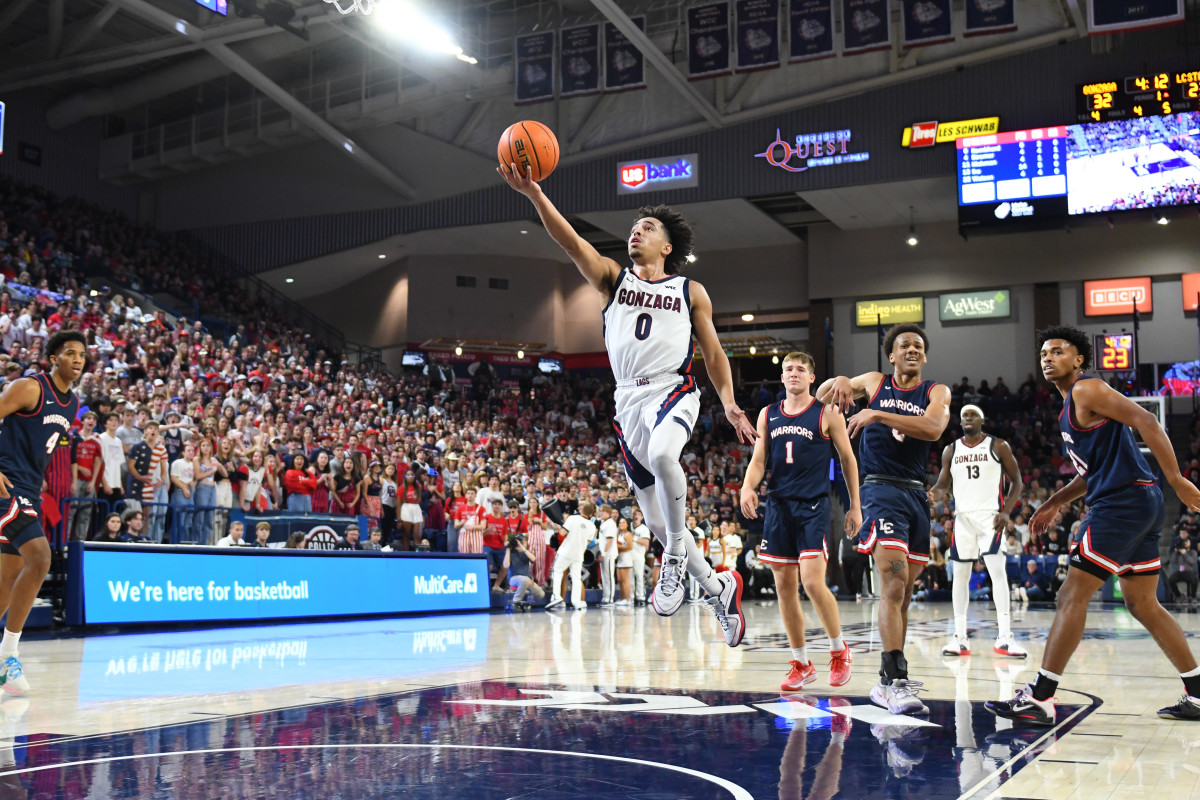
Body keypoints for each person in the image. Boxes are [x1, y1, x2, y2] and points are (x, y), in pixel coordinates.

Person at [498, 164, 756, 646]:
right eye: (634, 227)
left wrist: (729, 402)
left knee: (663, 456)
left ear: (667, 247)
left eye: (648, 228)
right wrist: (534, 194)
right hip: (627, 400)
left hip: (672, 389)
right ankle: (718, 588)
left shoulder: (689, 291)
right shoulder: (613, 280)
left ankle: (675, 555)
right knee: (655, 519)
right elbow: (571, 242)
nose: (636, 232)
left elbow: (715, 353)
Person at [987, 325, 1200, 725]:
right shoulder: (1071, 407)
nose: (1048, 358)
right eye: (1044, 353)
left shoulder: (1086, 389)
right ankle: (1199, 692)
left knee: (1071, 596)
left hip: (1121, 504)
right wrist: (1054, 501)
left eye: (1058, 351)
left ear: (1079, 359)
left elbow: (1147, 420)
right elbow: (1092, 473)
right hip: (1138, 501)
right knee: (1142, 603)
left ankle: (1040, 697)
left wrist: (1177, 479)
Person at [817, 323, 951, 715]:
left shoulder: (936, 392)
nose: (912, 349)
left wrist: (877, 414)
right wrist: (841, 380)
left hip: (915, 494)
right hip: (879, 489)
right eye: (904, 345)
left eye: (918, 346)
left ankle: (885, 683)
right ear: (891, 355)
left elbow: (934, 428)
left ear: (924, 356)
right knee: (893, 583)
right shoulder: (875, 382)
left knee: (903, 594)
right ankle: (896, 680)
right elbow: (821, 396)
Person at [741, 351, 861, 691]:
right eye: (788, 369)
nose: (793, 373)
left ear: (811, 377)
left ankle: (838, 650)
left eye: (800, 369)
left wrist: (855, 506)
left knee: (811, 582)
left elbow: (848, 460)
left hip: (813, 506)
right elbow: (759, 459)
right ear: (782, 377)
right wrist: (748, 487)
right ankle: (801, 663)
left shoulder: (827, 412)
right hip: (778, 507)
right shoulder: (768, 414)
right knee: (784, 587)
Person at [0, 330, 84, 693]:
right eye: (70, 353)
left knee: (7, 578)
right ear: (53, 359)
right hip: (6, 486)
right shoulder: (30, 388)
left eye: (82, 354)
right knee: (40, 558)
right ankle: (7, 656)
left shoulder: (73, 403)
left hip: (29, 490)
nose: (78, 359)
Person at [929, 404, 1027, 659]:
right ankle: (960, 638)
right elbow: (942, 484)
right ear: (960, 422)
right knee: (959, 577)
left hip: (989, 517)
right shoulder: (951, 449)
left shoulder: (998, 445)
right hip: (963, 519)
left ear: (982, 420)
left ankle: (1004, 637)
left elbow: (1017, 482)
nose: (968, 418)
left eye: (973, 415)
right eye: (965, 416)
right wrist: (932, 495)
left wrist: (1006, 512)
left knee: (998, 574)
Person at [546, 501, 596, 610]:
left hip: (566, 552)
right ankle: (576, 602)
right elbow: (587, 542)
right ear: (592, 514)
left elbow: (562, 533)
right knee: (576, 578)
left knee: (557, 571)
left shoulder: (573, 518)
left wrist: (559, 527)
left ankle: (556, 596)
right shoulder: (592, 527)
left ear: (582, 510)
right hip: (579, 554)